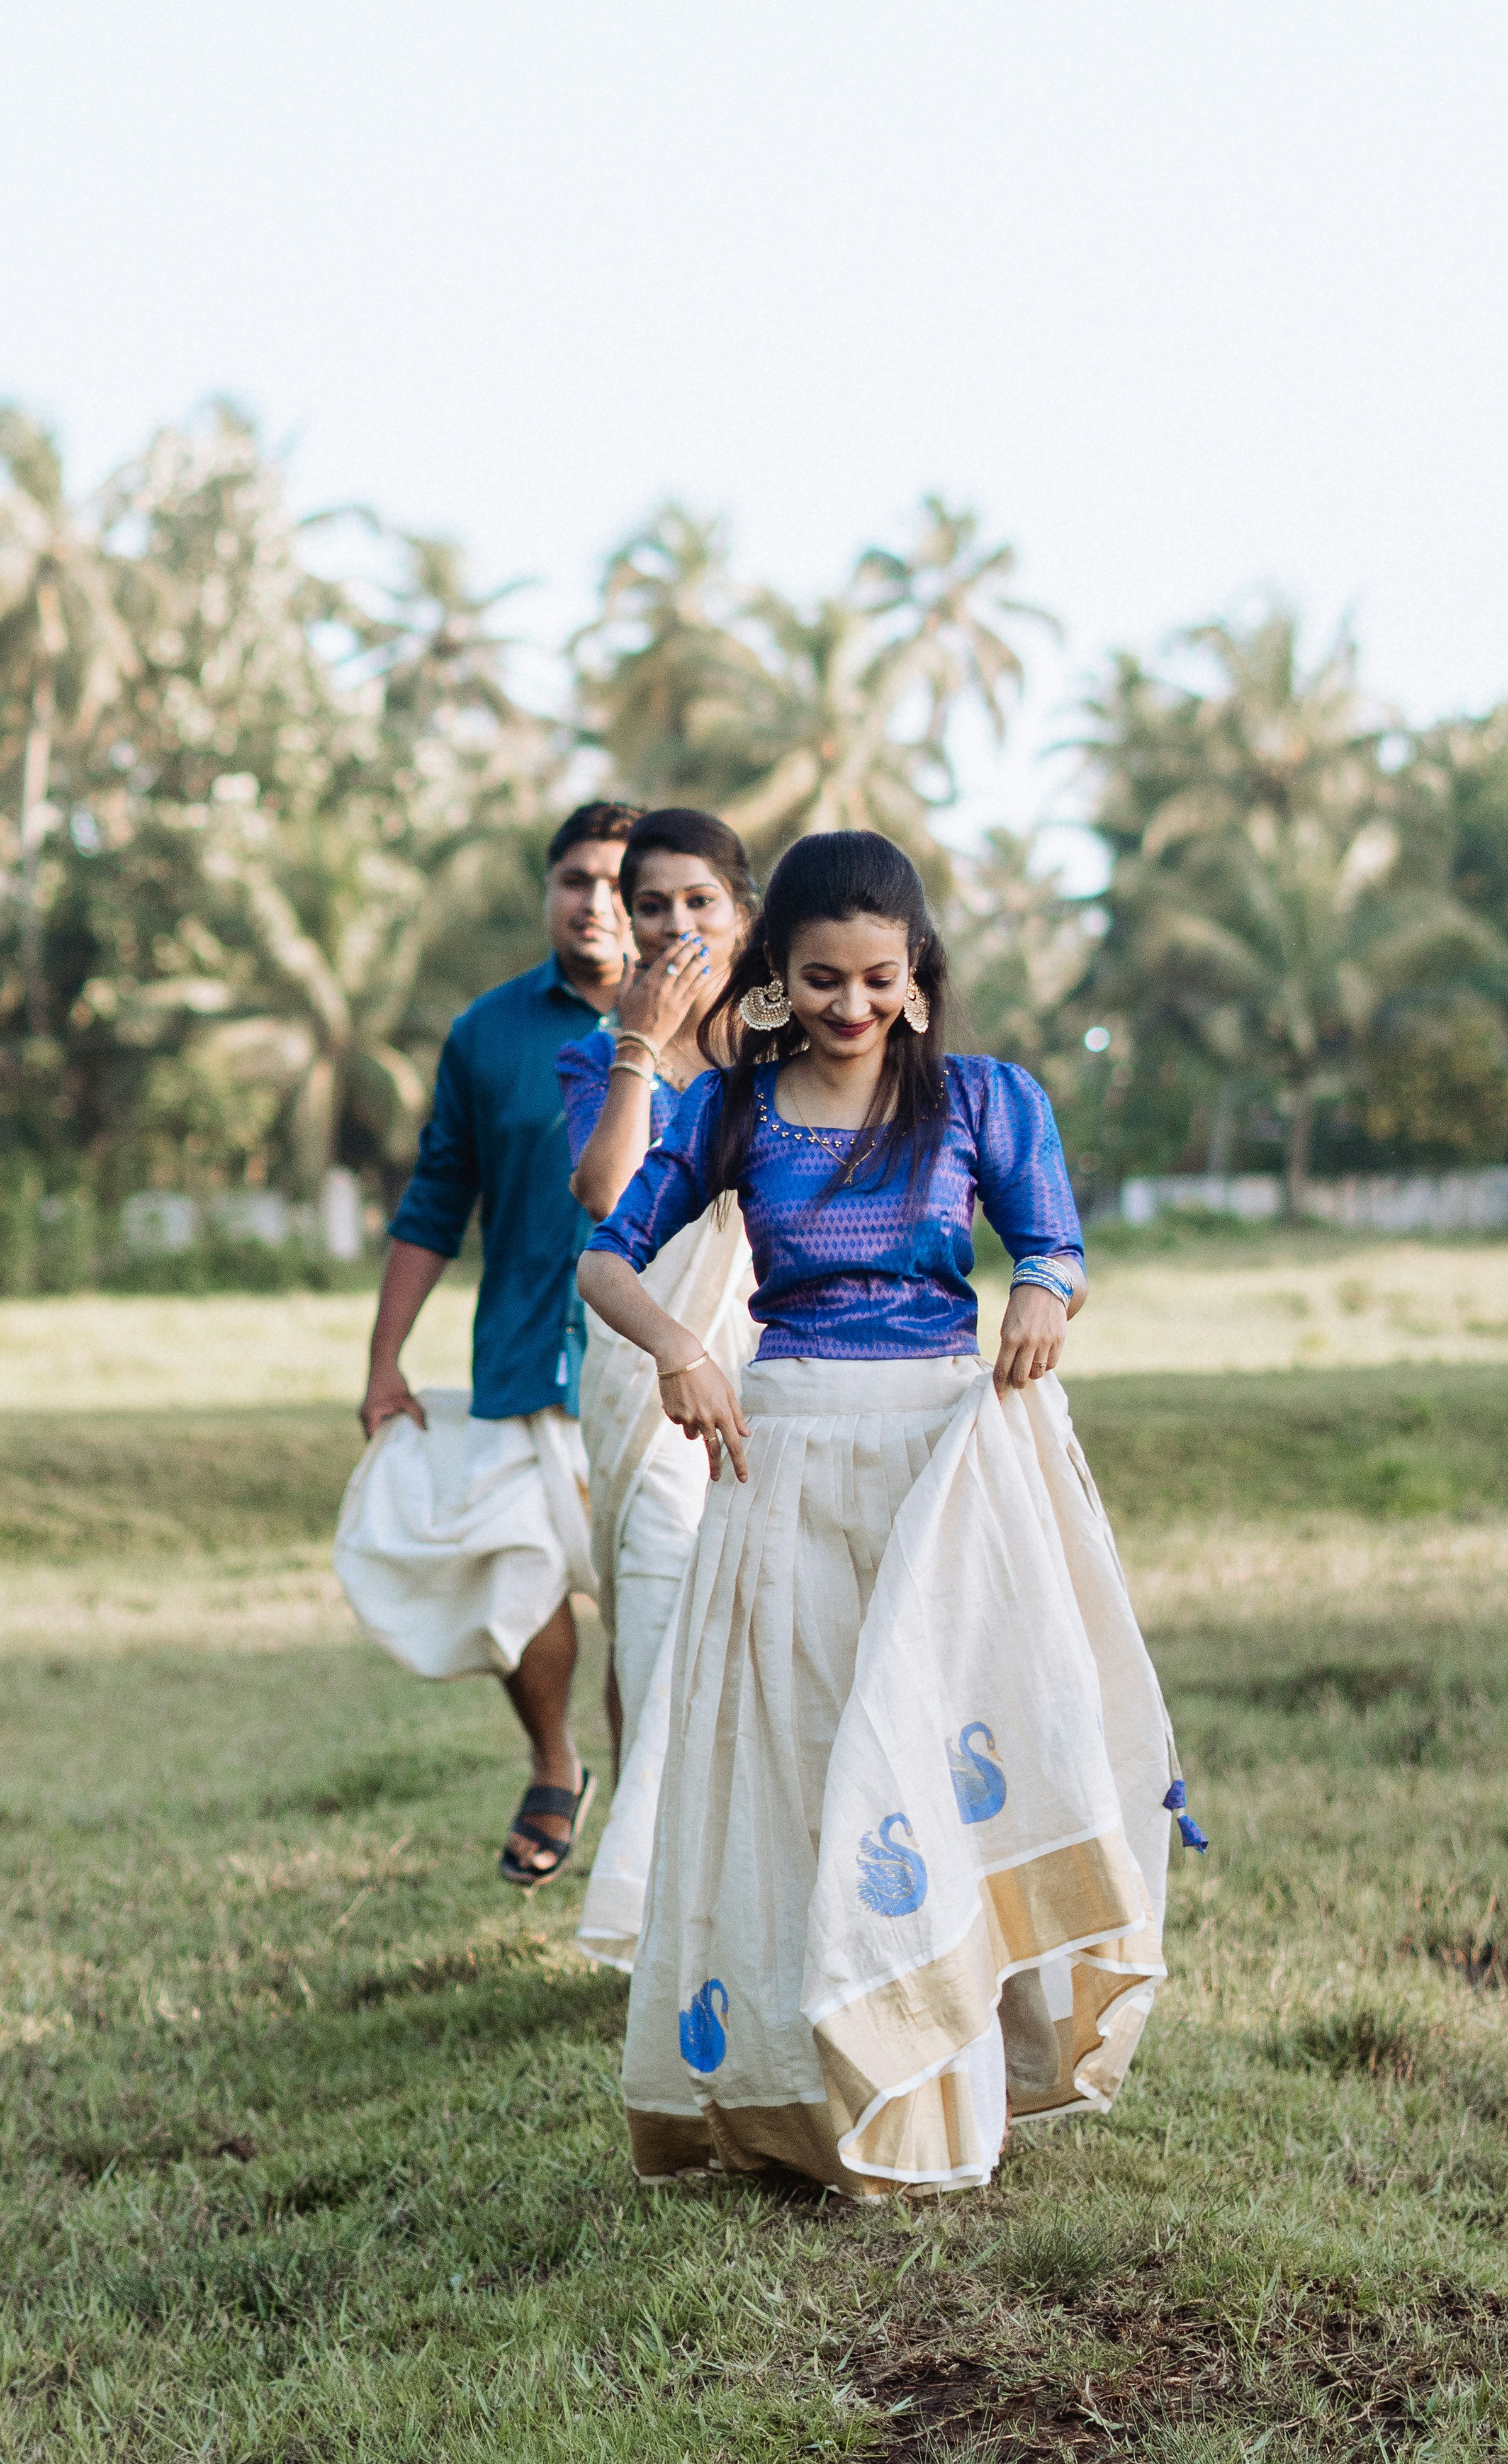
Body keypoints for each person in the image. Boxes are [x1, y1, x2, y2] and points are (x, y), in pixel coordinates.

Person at [576, 829, 1200, 2197]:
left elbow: (1052, 1242)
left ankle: (944, 2099)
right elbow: (603, 1257)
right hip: (785, 1456)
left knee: (935, 1750)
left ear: (915, 974)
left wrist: (1041, 1288)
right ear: (772, 981)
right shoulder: (733, 1110)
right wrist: (683, 1354)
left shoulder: (982, 1099)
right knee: (807, 1764)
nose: (848, 1008)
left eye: (874, 978)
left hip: (945, 1461)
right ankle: (804, 2100)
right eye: (817, 982)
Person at [335, 799, 638, 1889]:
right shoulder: (490, 1032)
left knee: (647, 1607)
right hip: (521, 1361)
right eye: (577, 880)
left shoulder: (719, 1031)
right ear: (547, 893)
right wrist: (384, 1363)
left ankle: (644, 1821)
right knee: (514, 1573)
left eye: (621, 883)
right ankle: (555, 1761)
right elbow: (433, 1205)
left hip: (656, 1368)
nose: (597, 903)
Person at [556, 809, 762, 1969]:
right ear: (625, 922)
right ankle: (660, 1918)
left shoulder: (792, 1048)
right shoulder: (599, 1053)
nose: (677, 925)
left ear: (742, 914)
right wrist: (644, 1045)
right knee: (663, 1630)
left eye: (701, 903)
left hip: (777, 1374)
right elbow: (606, 1194)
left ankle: (751, 1900)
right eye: (653, 906)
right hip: (647, 1386)